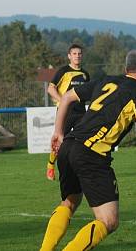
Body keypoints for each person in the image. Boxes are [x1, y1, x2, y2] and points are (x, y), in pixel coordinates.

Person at [39, 49, 136, 251]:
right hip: (91, 153)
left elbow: (65, 98)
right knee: (108, 220)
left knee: (70, 201)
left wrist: (58, 132)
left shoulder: (105, 81)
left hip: (69, 145)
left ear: (126, 68)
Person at [45, 44, 90, 180]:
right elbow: (50, 89)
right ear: (69, 56)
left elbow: (88, 93)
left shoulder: (85, 74)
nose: (77, 56)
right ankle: (51, 165)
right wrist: (64, 101)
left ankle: (80, 168)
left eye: (79, 53)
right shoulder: (63, 71)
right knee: (59, 139)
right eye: (74, 53)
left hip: (81, 112)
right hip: (65, 112)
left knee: (83, 140)